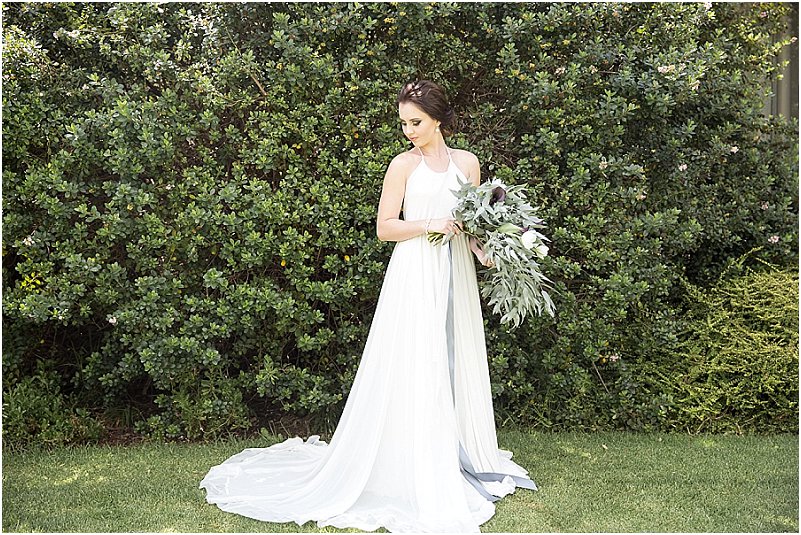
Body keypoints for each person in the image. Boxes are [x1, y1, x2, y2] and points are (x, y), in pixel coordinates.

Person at [199, 80, 536, 533]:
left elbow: (473, 225)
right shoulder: (403, 165)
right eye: (404, 123)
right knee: (417, 360)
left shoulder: (468, 163)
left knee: (453, 355)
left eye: (415, 122)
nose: (408, 131)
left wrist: (491, 252)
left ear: (438, 118)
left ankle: (454, 453)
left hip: (455, 271)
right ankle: (411, 462)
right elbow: (385, 227)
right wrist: (431, 224)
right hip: (416, 271)